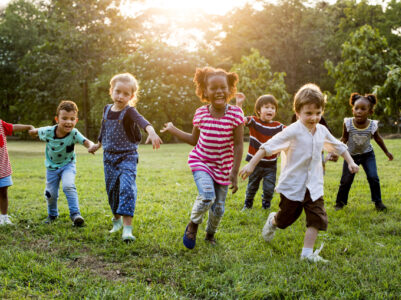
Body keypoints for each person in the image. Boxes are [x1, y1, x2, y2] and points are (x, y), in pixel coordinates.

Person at [239, 83, 359, 262]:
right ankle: (273, 220)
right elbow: (267, 147)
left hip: (314, 185)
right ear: (298, 113)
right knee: (285, 220)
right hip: (294, 185)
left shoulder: (322, 131)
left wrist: (351, 162)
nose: (314, 117)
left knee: (317, 218)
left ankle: (307, 254)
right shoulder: (292, 131)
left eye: (318, 113)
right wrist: (251, 165)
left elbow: (338, 146)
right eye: (308, 113)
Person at [161, 66, 244, 249]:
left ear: (229, 89)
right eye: (213, 88)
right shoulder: (200, 113)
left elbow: (238, 145)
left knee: (219, 208)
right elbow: (193, 140)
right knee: (207, 196)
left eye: (223, 87)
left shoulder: (236, 114)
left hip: (223, 166)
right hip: (202, 161)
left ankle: (210, 234)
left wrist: (234, 171)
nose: (219, 92)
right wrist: (173, 130)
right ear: (205, 91)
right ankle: (193, 224)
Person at [88, 73, 162, 242]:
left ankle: (127, 229)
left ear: (131, 96)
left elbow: (142, 121)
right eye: (117, 91)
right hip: (109, 158)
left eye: (125, 94)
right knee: (112, 190)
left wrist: (151, 131)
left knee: (127, 188)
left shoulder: (129, 111)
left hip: (127, 156)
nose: (120, 96)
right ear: (111, 91)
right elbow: (104, 130)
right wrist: (97, 145)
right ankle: (117, 221)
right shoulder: (106, 109)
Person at [29, 100, 94, 227]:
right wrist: (32, 131)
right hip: (51, 168)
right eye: (64, 118)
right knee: (50, 194)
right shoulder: (48, 131)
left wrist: (91, 146)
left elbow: (86, 141)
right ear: (57, 119)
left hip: (68, 166)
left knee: (68, 186)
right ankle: (52, 214)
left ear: (76, 120)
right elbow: (36, 131)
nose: (68, 122)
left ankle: (75, 214)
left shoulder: (74, 133)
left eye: (72, 119)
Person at [334, 93, 393, 211]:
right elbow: (344, 138)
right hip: (350, 156)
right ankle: (340, 203)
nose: (359, 111)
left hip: (367, 155)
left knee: (373, 177)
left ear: (370, 112)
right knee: (346, 180)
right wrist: (336, 152)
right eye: (356, 108)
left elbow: (378, 138)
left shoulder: (372, 125)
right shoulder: (348, 123)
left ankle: (378, 202)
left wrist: (387, 152)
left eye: (363, 109)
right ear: (352, 110)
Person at [236, 93, 285, 210]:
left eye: (273, 108)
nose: (270, 110)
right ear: (258, 110)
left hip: (270, 165)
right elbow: (239, 120)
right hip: (255, 164)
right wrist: (239, 104)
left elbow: (292, 132)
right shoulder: (254, 121)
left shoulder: (278, 127)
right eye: (267, 107)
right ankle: (248, 204)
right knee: (252, 186)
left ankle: (266, 205)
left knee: (269, 187)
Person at [0, 120, 34, 225]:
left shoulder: (0, 124)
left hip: (2, 167)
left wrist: (28, 126)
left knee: (3, 193)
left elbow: (13, 127)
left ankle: (4, 217)